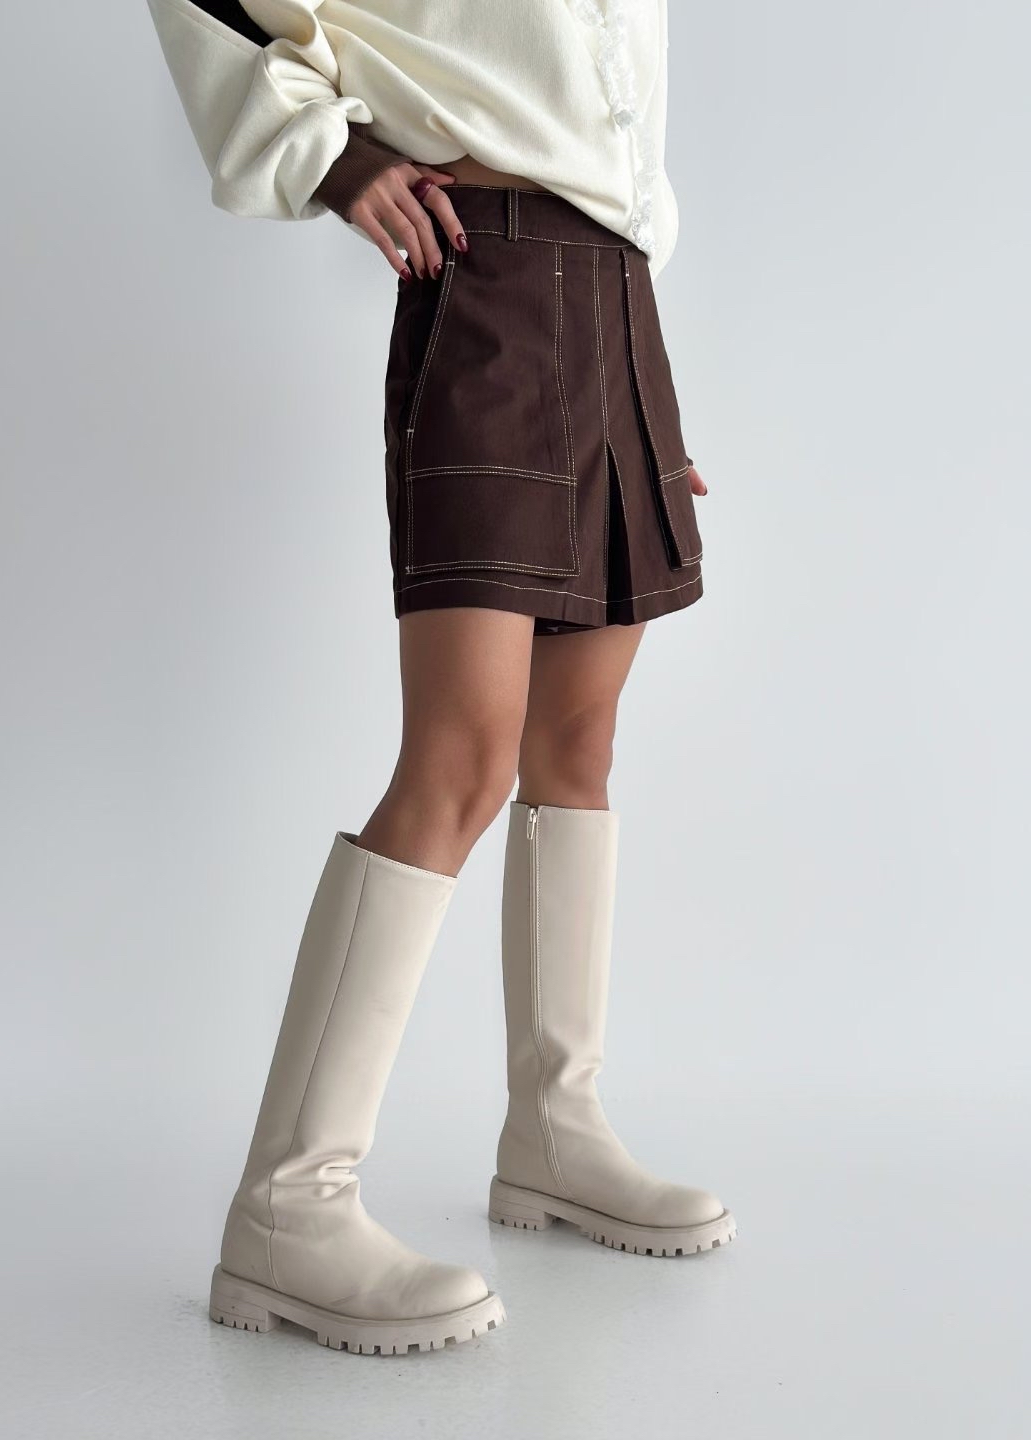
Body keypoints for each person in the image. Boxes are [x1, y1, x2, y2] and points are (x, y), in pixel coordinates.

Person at [146, 0, 736, 1357]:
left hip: (618, 293)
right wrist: (330, 153)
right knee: (460, 760)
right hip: (490, 282)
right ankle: (289, 1205)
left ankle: (555, 1131)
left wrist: (633, 373)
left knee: (578, 745)